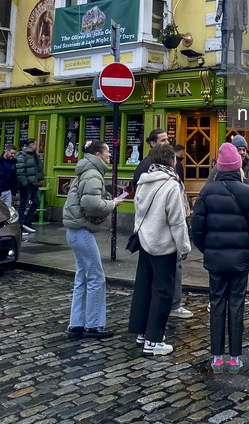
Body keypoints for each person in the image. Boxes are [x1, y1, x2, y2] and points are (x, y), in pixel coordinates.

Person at [192, 142, 249, 373]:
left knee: (216, 304)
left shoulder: (206, 192)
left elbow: (197, 230)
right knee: (236, 304)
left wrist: (208, 250)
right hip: (240, 259)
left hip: (216, 258)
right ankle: (234, 357)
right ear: (237, 168)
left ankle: (216, 357)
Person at [128, 143, 191, 355]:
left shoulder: (144, 181)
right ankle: (154, 340)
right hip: (163, 245)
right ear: (171, 160)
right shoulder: (171, 185)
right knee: (163, 292)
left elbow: (138, 211)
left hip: (145, 242)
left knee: (144, 288)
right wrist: (184, 245)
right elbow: (177, 220)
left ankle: (142, 332)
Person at [63, 140, 123, 339]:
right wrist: (112, 203)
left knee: (82, 276)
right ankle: (94, 325)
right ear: (98, 154)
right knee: (96, 277)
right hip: (82, 231)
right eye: (107, 152)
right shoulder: (93, 174)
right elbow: (92, 204)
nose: (110, 155)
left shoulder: (85, 171)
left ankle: (76, 323)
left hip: (75, 231)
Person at [215, 0, 248, 72]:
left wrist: (245, 24)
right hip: (227, 22)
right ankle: (224, 65)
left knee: (238, 45)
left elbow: (245, 12)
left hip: (239, 24)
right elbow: (220, 7)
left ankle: (238, 65)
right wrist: (218, 15)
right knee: (225, 44)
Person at [15, 138, 44, 233]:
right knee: (23, 205)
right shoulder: (21, 156)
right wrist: (24, 184)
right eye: (35, 144)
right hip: (26, 185)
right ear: (31, 145)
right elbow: (19, 171)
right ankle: (20, 225)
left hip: (34, 183)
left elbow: (37, 169)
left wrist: (39, 179)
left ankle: (27, 221)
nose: (36, 146)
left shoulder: (34, 156)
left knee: (37, 201)